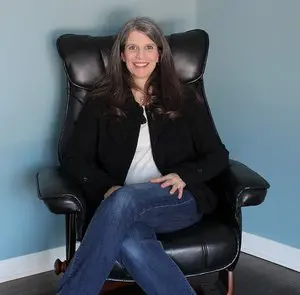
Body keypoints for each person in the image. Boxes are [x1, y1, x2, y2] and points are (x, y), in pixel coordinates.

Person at [57, 16, 229, 295]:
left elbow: (218, 155)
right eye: (133, 48)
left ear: (160, 54)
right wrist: (105, 187)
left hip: (177, 199)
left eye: (149, 47)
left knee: (123, 200)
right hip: (120, 201)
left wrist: (186, 175)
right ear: (122, 55)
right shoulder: (100, 101)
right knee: (128, 237)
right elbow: (74, 158)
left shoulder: (185, 99)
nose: (141, 56)